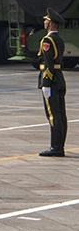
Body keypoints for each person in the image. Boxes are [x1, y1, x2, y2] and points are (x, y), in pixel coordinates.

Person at [38, 8, 67, 157]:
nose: (44, 22)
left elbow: (48, 64)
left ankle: (56, 148)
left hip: (52, 79)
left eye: (45, 20)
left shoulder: (47, 40)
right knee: (61, 114)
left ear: (50, 23)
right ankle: (60, 146)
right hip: (59, 77)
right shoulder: (59, 39)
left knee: (53, 115)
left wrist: (46, 84)